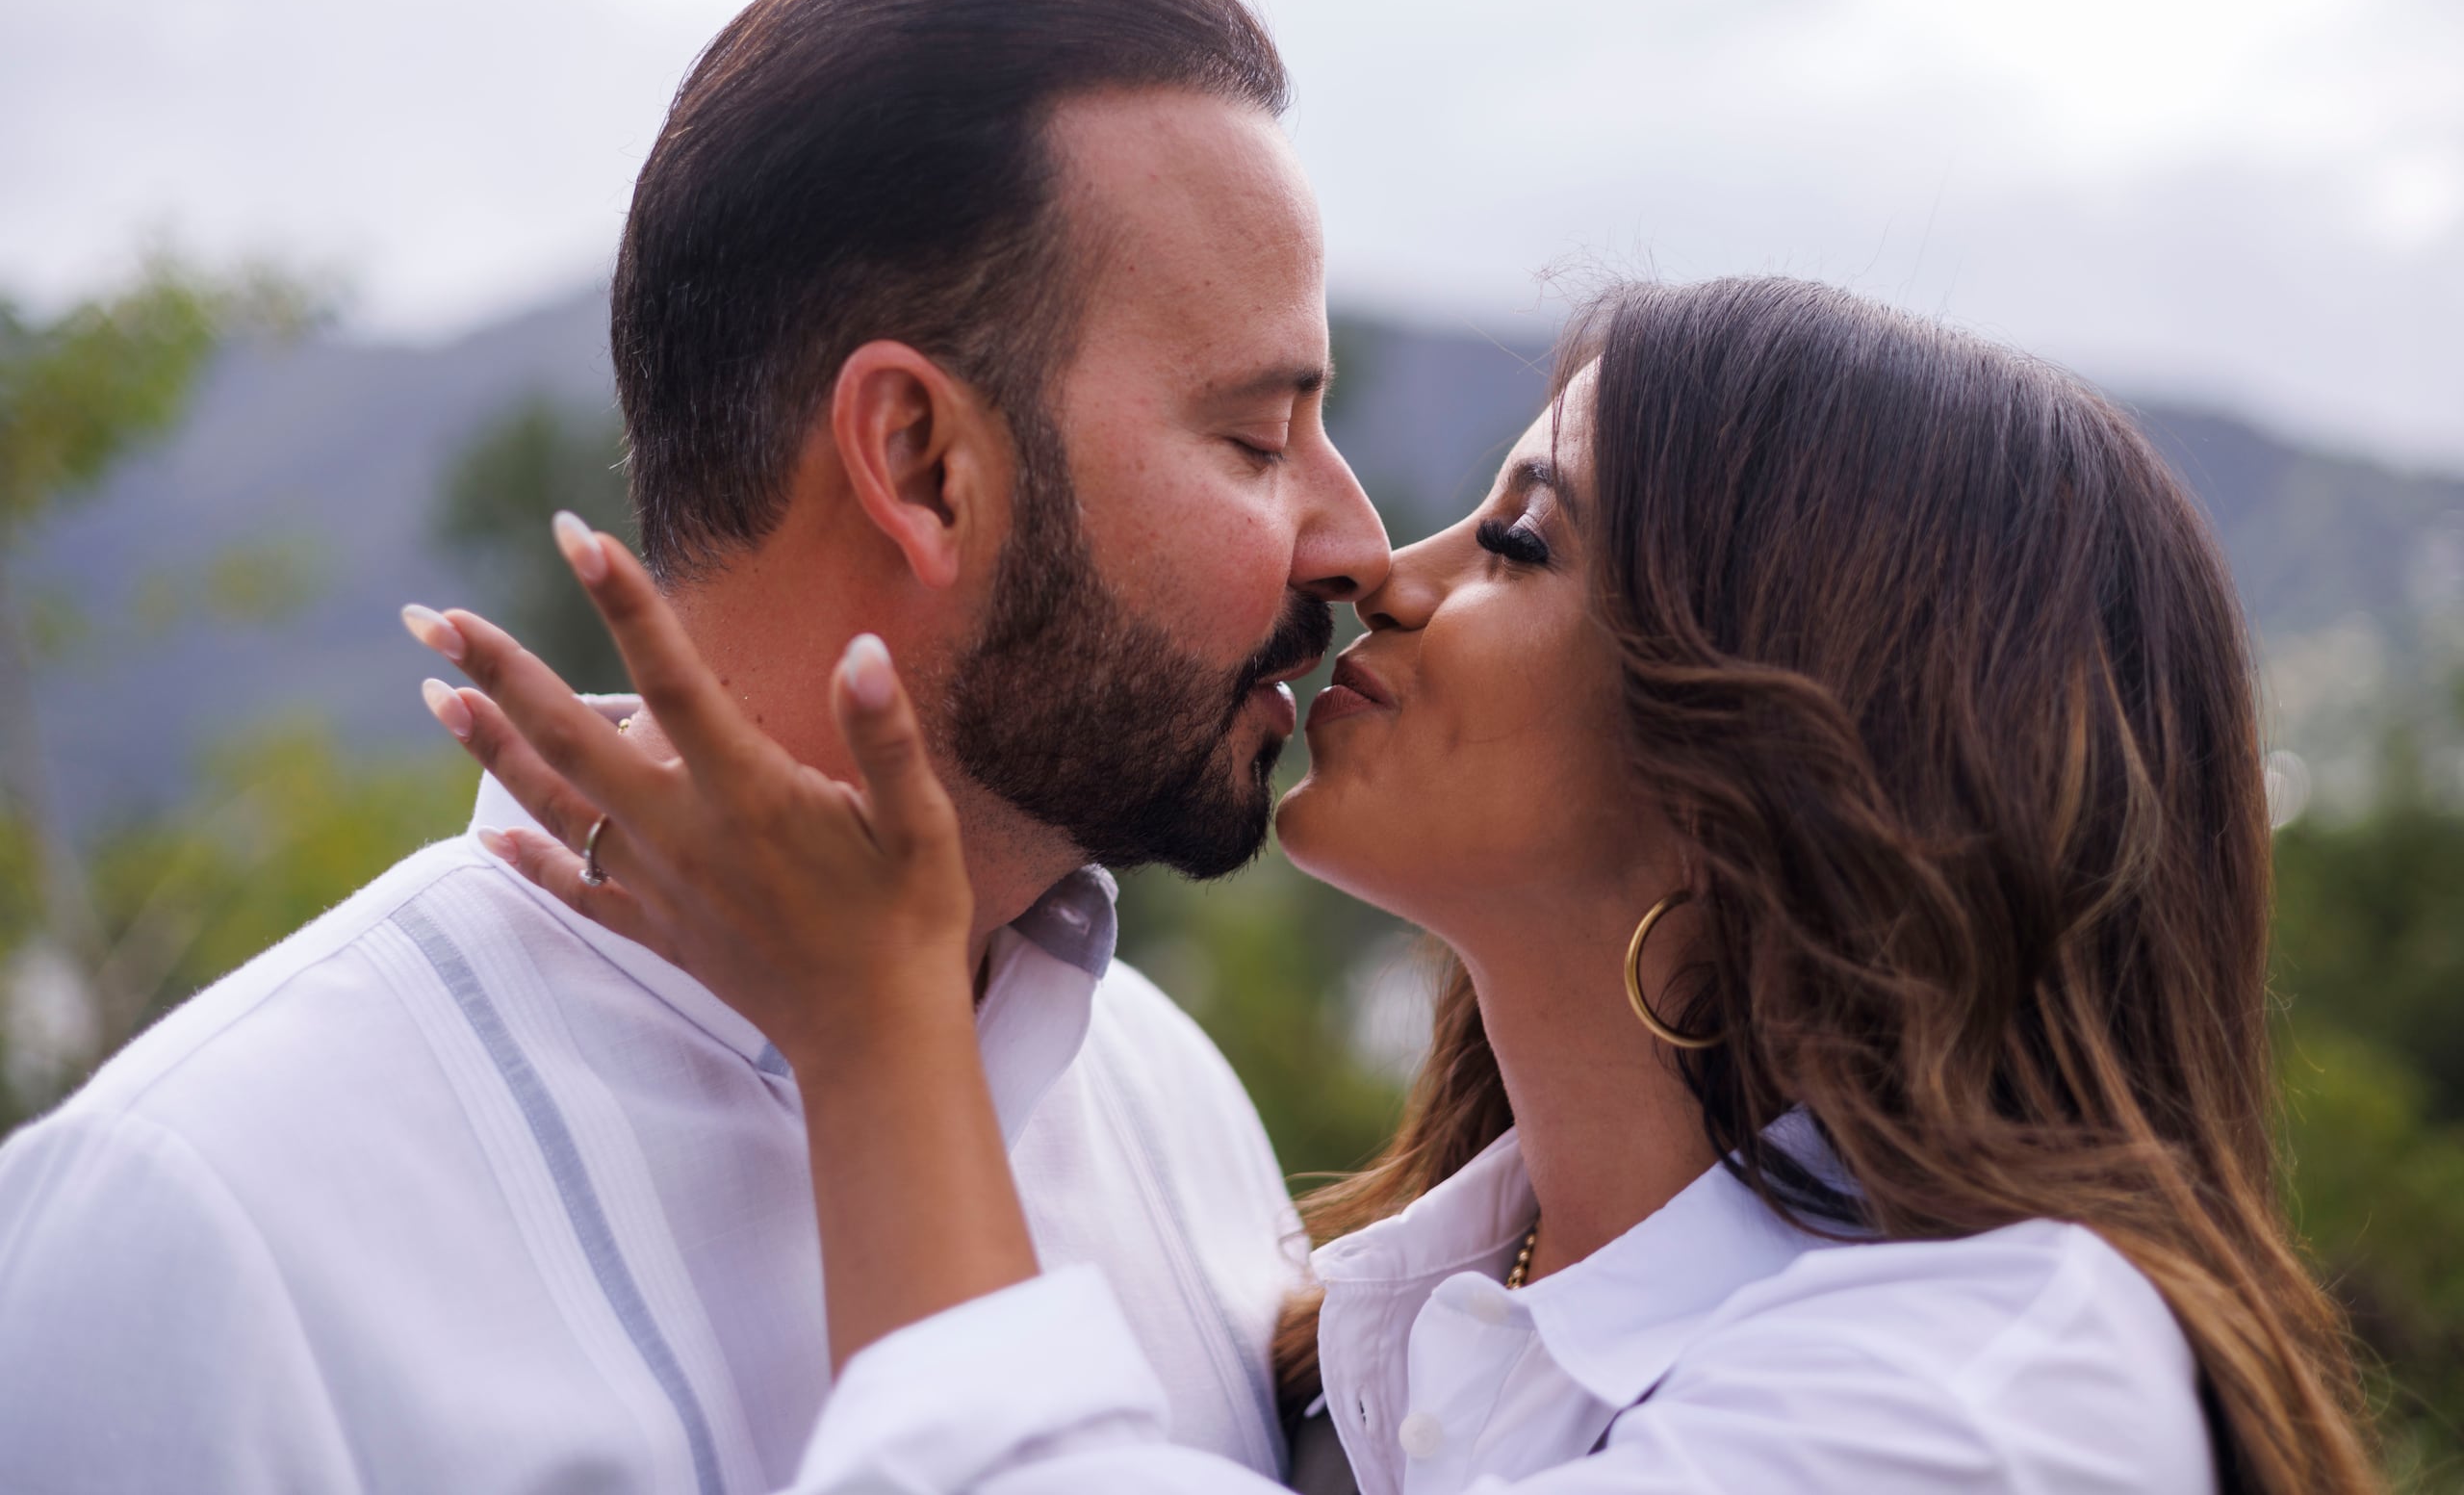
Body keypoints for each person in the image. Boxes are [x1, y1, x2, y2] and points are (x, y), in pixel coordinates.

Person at [441, 276, 2380, 1494]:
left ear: (1771, 758)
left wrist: (872, 1034)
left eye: (1521, 542)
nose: (1376, 563)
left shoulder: (1988, 1397)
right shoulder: (1343, 1318)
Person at [0, 0, 1388, 1491]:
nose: (1356, 546)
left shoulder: (1162, 1100)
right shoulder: (197, 1232)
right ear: (926, 465)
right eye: (1258, 440)